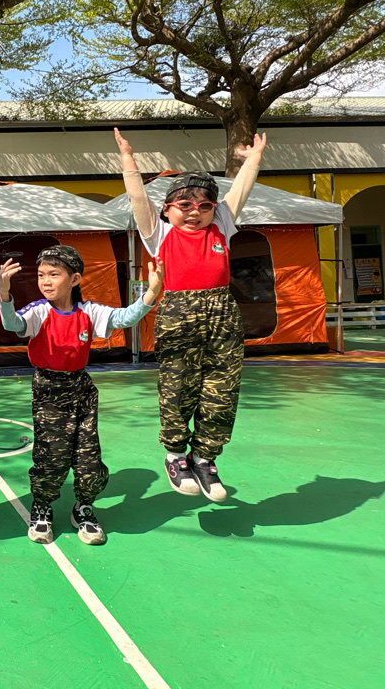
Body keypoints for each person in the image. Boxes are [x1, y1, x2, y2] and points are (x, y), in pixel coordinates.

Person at [114, 127, 267, 502]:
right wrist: (128, 161)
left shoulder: (222, 226)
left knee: (222, 390)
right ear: (168, 209)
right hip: (179, 313)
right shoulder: (160, 234)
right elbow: (138, 199)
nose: (194, 213)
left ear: (214, 210)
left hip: (222, 313)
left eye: (204, 206)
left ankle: (204, 459)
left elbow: (239, 192)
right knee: (178, 388)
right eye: (184, 206)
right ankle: (176, 455)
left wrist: (253, 161)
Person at [0, 246, 164, 545]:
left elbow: (125, 318)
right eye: (41, 275)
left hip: (81, 389)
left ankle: (83, 507)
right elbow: (13, 324)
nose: (46, 281)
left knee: (89, 459)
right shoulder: (39, 311)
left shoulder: (89, 311)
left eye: (54, 274)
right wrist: (4, 292)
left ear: (74, 279)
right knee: (51, 457)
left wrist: (151, 292)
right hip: (48, 390)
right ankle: (42, 506)